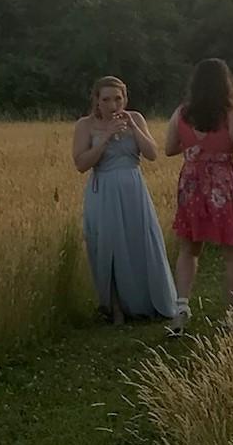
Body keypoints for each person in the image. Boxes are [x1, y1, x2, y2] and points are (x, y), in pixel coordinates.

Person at [71, 75, 178, 324]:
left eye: (118, 99)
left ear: (125, 98)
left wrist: (135, 128)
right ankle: (115, 308)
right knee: (109, 246)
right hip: (104, 190)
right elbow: (80, 164)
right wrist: (106, 136)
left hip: (133, 188)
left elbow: (152, 154)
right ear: (97, 101)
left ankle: (150, 301)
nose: (113, 105)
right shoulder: (85, 125)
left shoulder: (136, 118)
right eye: (106, 99)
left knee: (141, 241)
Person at [165, 58, 233, 331]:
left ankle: (181, 310)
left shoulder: (181, 114)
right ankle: (230, 316)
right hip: (223, 188)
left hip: (191, 186)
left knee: (189, 250)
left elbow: (169, 149)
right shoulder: (232, 117)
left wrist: (195, 149)